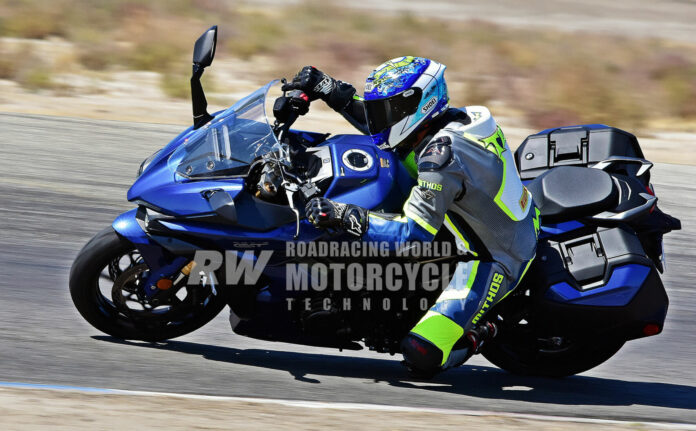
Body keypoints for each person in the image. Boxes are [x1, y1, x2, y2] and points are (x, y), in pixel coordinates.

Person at [283, 57, 539, 376]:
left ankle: (483, 331)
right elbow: (381, 127)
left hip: (494, 256)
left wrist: (341, 214)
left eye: (387, 109)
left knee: (421, 354)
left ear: (418, 104)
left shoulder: (441, 158)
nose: (379, 118)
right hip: (468, 221)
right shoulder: (437, 125)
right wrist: (329, 88)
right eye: (381, 109)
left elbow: (412, 237)